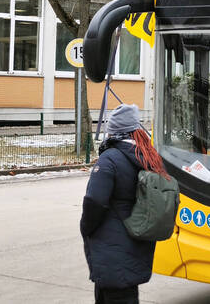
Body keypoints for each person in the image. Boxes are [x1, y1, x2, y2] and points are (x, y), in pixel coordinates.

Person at [81, 104, 168, 304]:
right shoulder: (149, 156)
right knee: (126, 294)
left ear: (114, 131)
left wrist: (85, 228)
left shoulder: (110, 159)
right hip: (137, 242)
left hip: (111, 250)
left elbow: (94, 201)